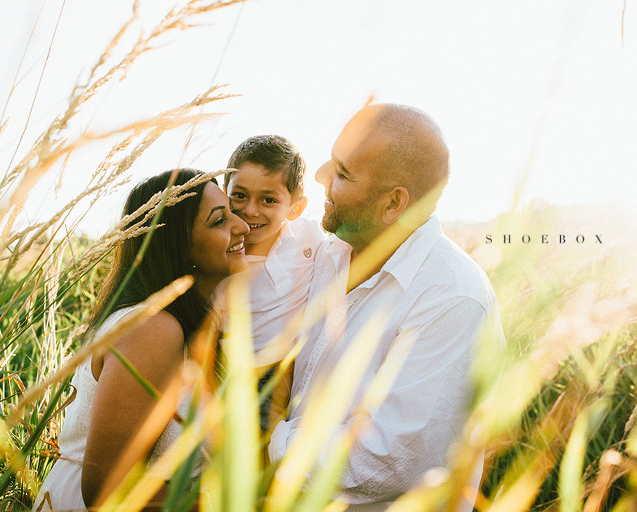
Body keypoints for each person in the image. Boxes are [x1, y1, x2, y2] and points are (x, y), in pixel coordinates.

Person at [268, 104, 505, 510]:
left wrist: (273, 442)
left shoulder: (452, 298)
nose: (322, 175)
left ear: (393, 203)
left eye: (342, 173)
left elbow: (388, 459)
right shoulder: (327, 254)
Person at [34, 169, 249, 511]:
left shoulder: (186, 321)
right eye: (219, 220)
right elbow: (107, 491)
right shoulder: (153, 328)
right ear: (179, 246)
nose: (242, 226)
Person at [222, 135, 324, 431]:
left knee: (265, 451)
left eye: (268, 200)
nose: (250, 210)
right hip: (224, 368)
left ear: (295, 208)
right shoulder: (217, 245)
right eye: (239, 195)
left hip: (279, 374)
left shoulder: (309, 239)